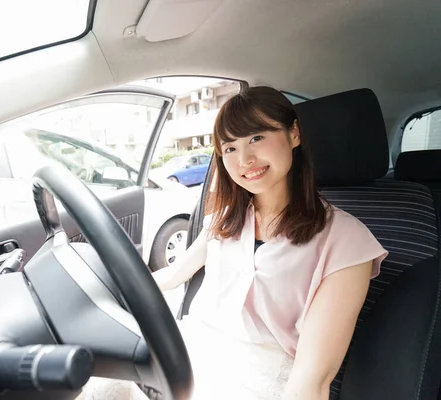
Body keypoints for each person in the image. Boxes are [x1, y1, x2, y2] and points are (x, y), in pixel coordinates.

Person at [77, 86, 388, 400]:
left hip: (258, 381)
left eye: (256, 138)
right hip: (188, 353)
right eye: (230, 148)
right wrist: (99, 297)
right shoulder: (224, 220)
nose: (245, 160)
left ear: (294, 134)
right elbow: (170, 277)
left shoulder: (347, 241)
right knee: (96, 380)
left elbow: (312, 380)